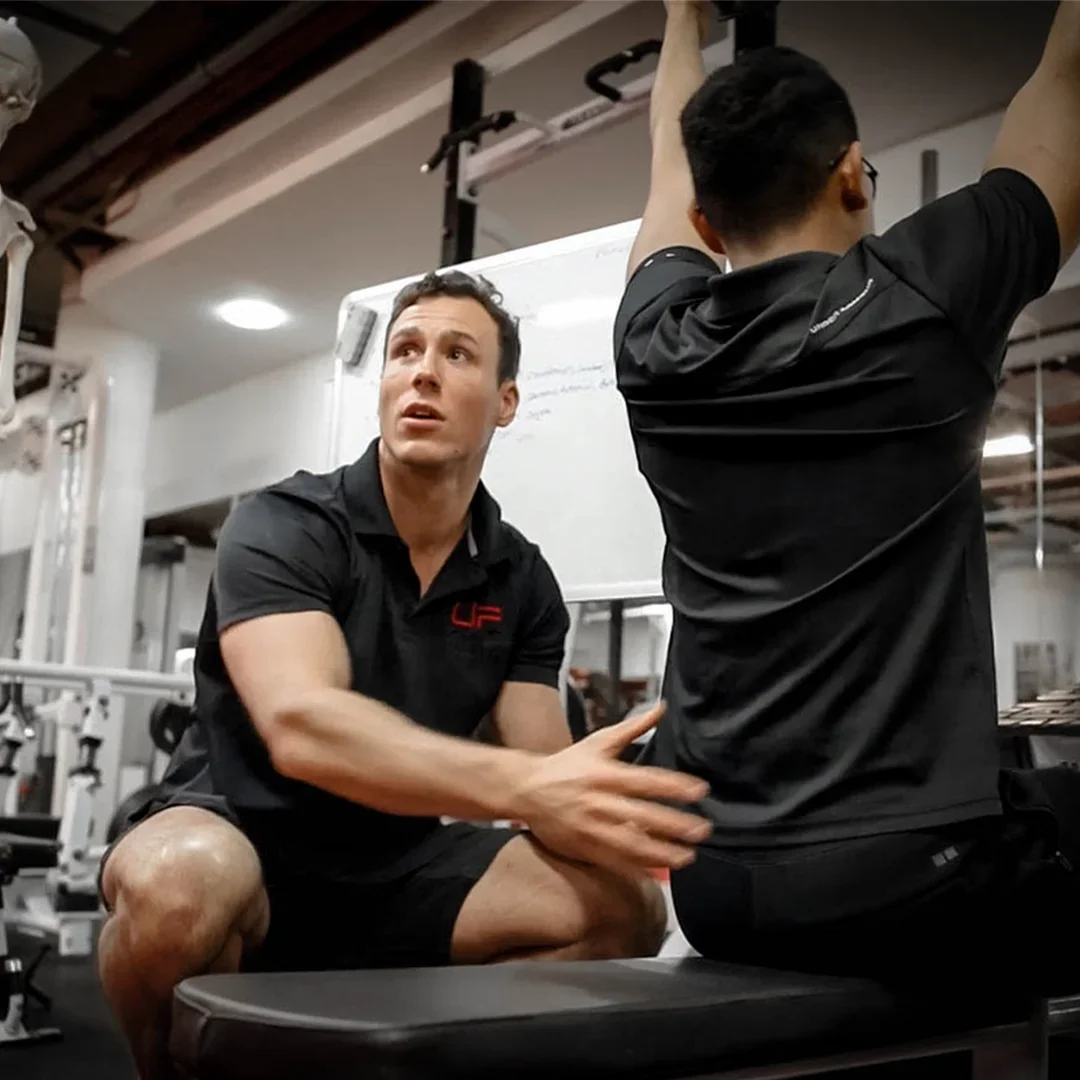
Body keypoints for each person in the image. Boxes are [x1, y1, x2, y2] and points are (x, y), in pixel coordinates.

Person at [100, 269, 712, 1080]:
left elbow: (542, 770)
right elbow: (304, 726)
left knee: (621, 906)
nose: (422, 371)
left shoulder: (520, 579)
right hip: (241, 834)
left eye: (458, 354)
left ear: (505, 402)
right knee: (180, 881)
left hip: (398, 867)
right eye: (405, 350)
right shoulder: (285, 525)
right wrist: (527, 790)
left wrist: (641, 811)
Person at [616, 0, 1080, 986]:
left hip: (715, 888)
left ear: (705, 222)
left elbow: (668, 147)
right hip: (915, 889)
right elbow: (1065, 88)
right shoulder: (922, 299)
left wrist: (679, 20)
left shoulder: (653, 344)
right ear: (849, 173)